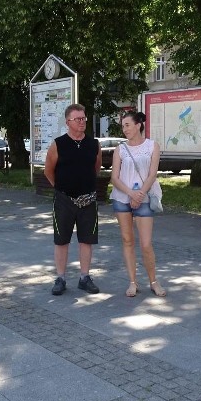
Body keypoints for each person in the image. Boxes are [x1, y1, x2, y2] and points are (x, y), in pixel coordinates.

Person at [44, 103, 102, 295]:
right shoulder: (58, 144)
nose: (82, 122)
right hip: (63, 200)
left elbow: (96, 168)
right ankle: (60, 278)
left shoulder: (94, 144)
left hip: (88, 200)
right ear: (68, 122)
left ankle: (84, 277)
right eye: (78, 119)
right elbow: (48, 170)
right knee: (61, 240)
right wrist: (61, 189)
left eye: (84, 118)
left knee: (87, 240)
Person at [110, 111, 166, 297]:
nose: (124, 129)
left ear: (138, 125)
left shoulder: (152, 146)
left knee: (146, 243)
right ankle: (132, 282)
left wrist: (140, 194)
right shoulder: (120, 149)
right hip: (122, 198)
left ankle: (153, 281)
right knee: (127, 240)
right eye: (123, 125)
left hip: (144, 198)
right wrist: (130, 193)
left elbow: (152, 174)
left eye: (127, 125)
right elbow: (114, 177)